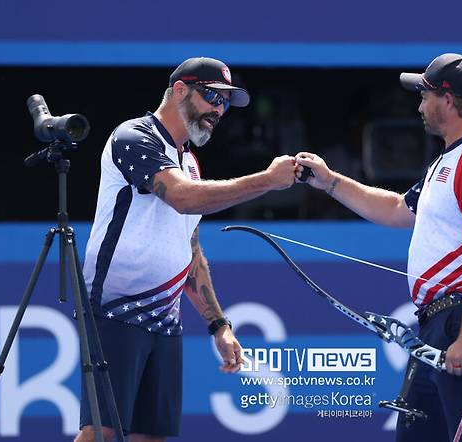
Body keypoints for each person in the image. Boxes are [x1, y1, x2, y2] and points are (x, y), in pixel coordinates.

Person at [295, 53, 462, 442]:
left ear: (448, 101)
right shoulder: (448, 161)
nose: (419, 105)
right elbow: (398, 209)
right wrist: (330, 181)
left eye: (425, 95)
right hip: (438, 324)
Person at [75, 57, 297, 442]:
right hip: (115, 308)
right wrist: (267, 181)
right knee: (102, 432)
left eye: (226, 103)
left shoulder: (190, 162)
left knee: (152, 436)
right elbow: (182, 198)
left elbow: (190, 251)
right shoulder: (134, 136)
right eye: (213, 97)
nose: (219, 110)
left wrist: (218, 325)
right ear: (180, 90)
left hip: (165, 320)